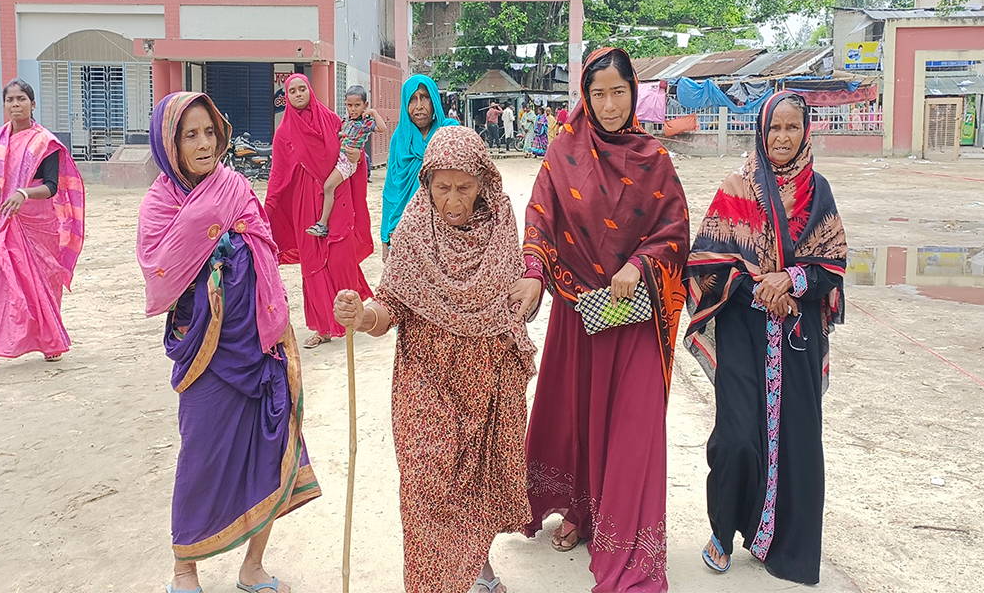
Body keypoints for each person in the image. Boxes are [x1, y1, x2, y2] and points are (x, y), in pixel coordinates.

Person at [511, 47, 689, 592]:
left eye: (618, 91)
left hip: (634, 314)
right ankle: (582, 512)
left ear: (634, 92)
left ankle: (626, 536)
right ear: (584, 97)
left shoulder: (653, 157)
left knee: (631, 425)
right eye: (598, 93)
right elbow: (539, 216)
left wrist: (640, 264)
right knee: (580, 414)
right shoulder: (562, 150)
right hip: (577, 308)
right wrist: (533, 271)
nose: (609, 105)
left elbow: (675, 230)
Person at [335, 126, 534, 593]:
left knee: (475, 484)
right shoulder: (413, 230)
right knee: (426, 486)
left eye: (464, 187)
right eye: (441, 187)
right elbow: (391, 306)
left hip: (485, 380)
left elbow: (511, 306)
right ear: (426, 185)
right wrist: (363, 315)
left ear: (484, 182)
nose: (452, 199)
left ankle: (478, 570)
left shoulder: (501, 226)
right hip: (425, 378)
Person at [138, 91, 320, 593]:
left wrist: (232, 246)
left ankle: (252, 567)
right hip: (205, 349)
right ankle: (184, 569)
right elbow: (160, 272)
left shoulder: (235, 185)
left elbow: (263, 242)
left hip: (257, 340)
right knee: (200, 454)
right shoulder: (158, 205)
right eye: (190, 135)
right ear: (169, 144)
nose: (204, 144)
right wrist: (213, 238)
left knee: (270, 442)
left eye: (210, 133)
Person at [684, 92, 847, 585]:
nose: (781, 138)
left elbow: (833, 266)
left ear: (806, 133)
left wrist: (794, 282)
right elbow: (705, 264)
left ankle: (784, 544)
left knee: (797, 442)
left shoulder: (819, 193)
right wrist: (759, 285)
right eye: (774, 128)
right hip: (744, 332)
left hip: (797, 338)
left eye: (792, 128)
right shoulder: (737, 188)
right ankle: (723, 529)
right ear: (759, 130)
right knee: (736, 438)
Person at [0, 78, 85, 376]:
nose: (15, 105)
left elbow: (50, 186)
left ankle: (51, 340)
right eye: (10, 100)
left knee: (42, 284)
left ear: (32, 105)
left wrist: (23, 193)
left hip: (37, 222)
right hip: (3, 222)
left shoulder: (43, 142)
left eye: (21, 99)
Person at [265, 73, 374, 349]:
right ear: (286, 97)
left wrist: (357, 157)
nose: (298, 94)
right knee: (312, 262)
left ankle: (352, 316)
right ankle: (323, 327)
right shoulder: (284, 133)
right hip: (304, 203)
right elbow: (278, 176)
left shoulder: (331, 121)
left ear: (310, 91)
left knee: (341, 257)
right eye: (293, 91)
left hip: (336, 196)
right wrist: (267, 212)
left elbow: (352, 151)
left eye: (303, 89)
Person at [380, 75, 459, 259]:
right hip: (406, 230)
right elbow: (392, 189)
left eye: (424, 97)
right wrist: (385, 237)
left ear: (434, 101)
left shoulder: (449, 132)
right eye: (412, 99)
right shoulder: (399, 140)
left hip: (445, 228)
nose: (419, 106)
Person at [306, 85, 387, 238]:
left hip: (347, 162)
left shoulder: (366, 123)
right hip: (338, 157)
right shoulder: (346, 120)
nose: (353, 109)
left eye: (357, 105)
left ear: (365, 105)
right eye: (350, 105)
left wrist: (374, 113)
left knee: (328, 187)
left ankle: (322, 224)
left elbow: (382, 128)